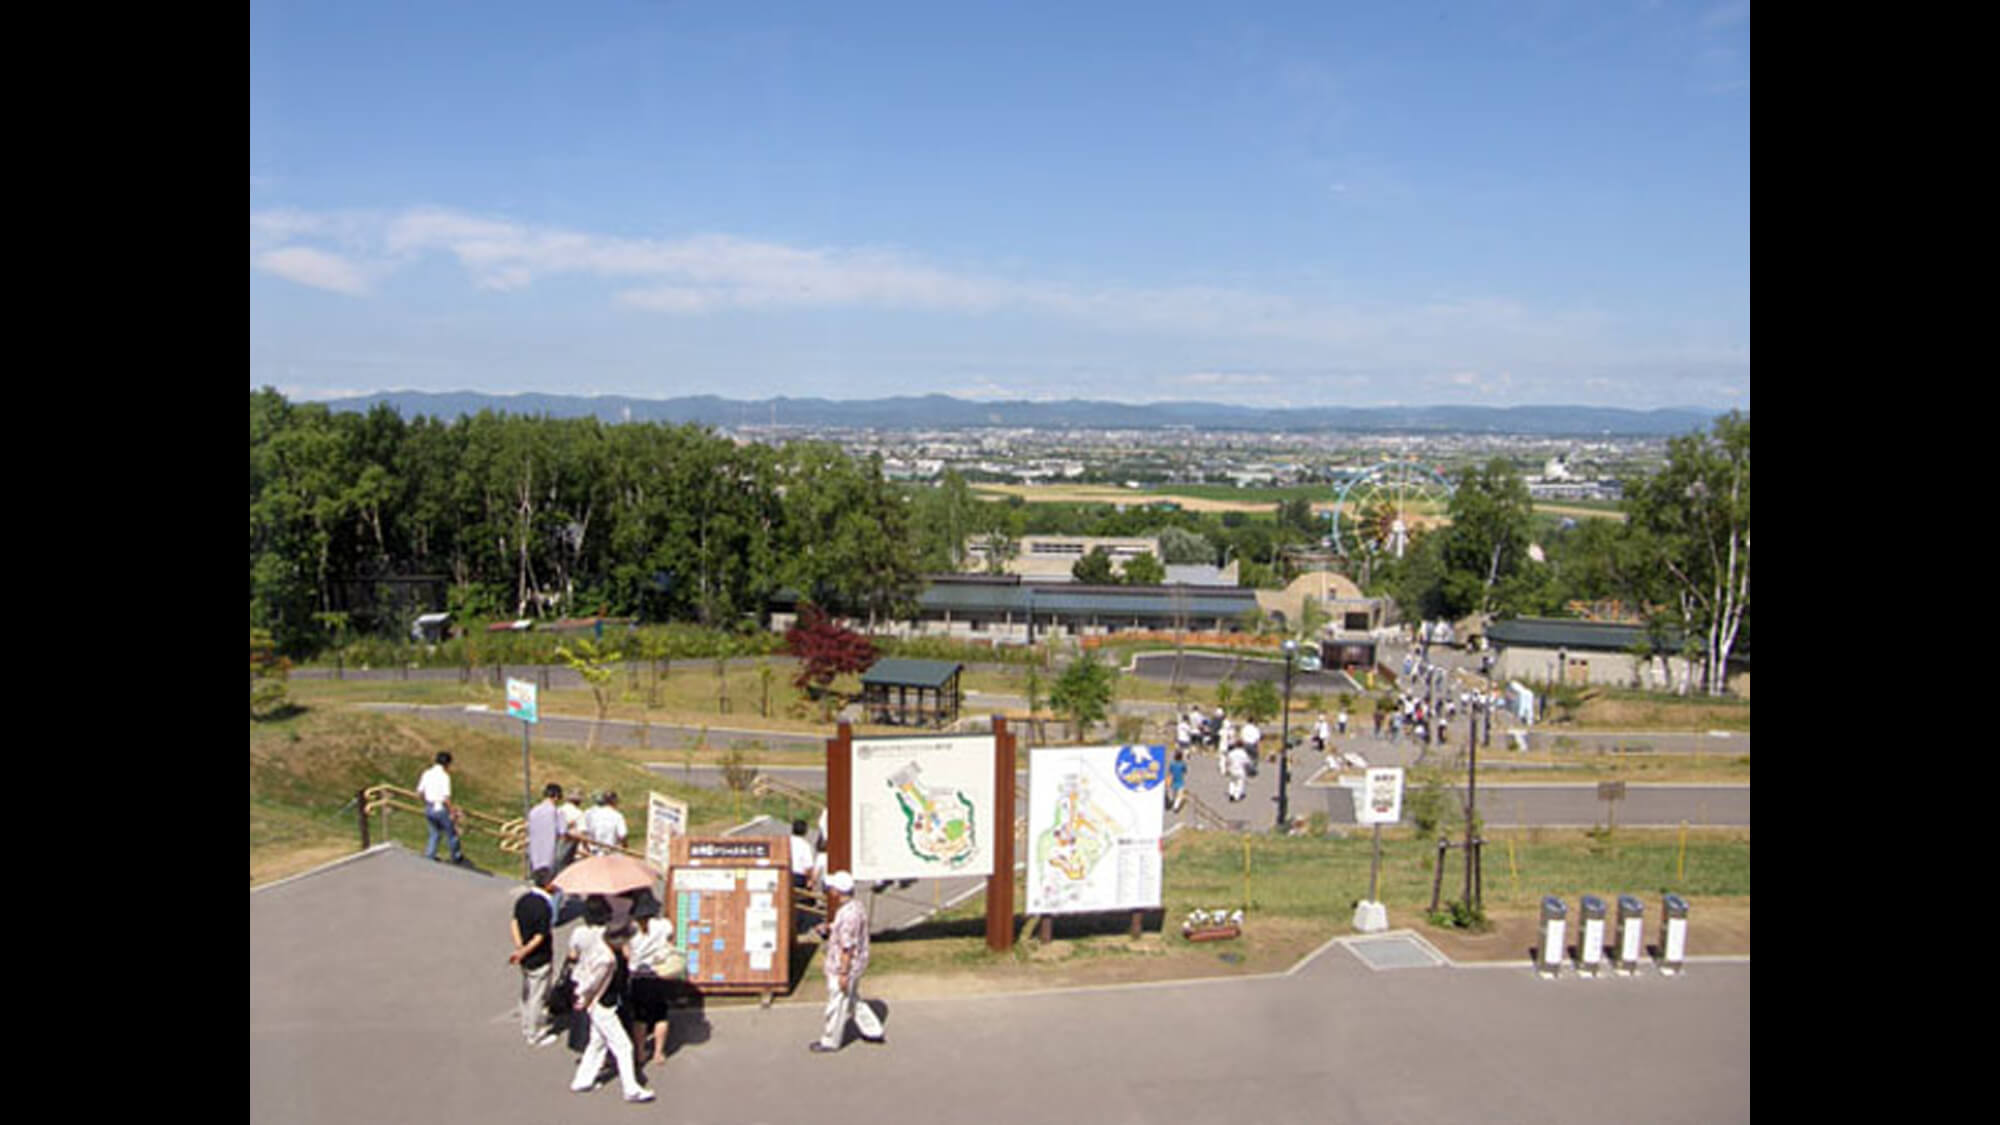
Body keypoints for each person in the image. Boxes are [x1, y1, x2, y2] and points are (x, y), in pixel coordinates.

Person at [570, 917, 654, 1102]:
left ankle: (583, 1080)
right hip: (603, 1005)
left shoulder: (604, 951)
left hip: (601, 1004)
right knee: (623, 1046)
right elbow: (592, 983)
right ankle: (631, 1089)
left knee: (597, 1043)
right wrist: (583, 997)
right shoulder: (606, 960)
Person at [811, 871, 884, 1053]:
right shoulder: (854, 907)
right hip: (855, 964)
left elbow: (847, 946)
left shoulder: (848, 915)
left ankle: (830, 1040)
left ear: (838, 891)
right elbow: (844, 930)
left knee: (837, 1003)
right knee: (851, 999)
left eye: (831, 887)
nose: (829, 890)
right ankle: (873, 1029)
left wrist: (843, 972)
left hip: (843, 967)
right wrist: (830, 927)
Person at [507, 869, 561, 1048]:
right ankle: (533, 1033)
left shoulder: (523, 900)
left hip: (525, 957)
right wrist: (525, 950)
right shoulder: (544, 907)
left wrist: (519, 947)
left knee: (527, 989)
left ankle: (525, 1020)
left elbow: (514, 922)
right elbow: (540, 936)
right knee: (537, 995)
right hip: (539, 957)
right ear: (547, 885)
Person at [625, 895, 680, 1069]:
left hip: (638, 975)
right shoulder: (664, 925)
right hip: (659, 973)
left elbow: (626, 952)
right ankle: (659, 1052)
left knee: (640, 1017)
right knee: (661, 1015)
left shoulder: (630, 928)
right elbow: (672, 939)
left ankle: (640, 1051)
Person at [416, 752, 465, 865]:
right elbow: (446, 798)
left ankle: (430, 854)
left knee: (434, 832)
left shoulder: (427, 773)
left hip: (429, 807)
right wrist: (452, 811)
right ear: (447, 764)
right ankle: (456, 856)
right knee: (451, 834)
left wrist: (427, 802)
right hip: (440, 808)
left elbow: (419, 792)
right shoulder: (444, 777)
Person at [526, 784, 564, 879]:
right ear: (556, 796)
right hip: (550, 855)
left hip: (534, 854)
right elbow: (563, 831)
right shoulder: (557, 812)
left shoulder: (533, 811)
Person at [583, 791, 629, 857]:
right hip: (612, 852)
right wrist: (625, 846)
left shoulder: (593, 815)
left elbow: (586, 833)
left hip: (595, 853)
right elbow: (622, 835)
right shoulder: (617, 816)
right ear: (614, 801)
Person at [556, 787, 585, 871]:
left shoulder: (559, 810)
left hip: (556, 847)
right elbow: (582, 833)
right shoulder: (578, 814)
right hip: (571, 850)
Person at [789, 819, 817, 892]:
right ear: (805, 831)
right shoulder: (805, 845)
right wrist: (810, 880)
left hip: (785, 875)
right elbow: (808, 866)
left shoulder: (786, 842)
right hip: (798, 878)